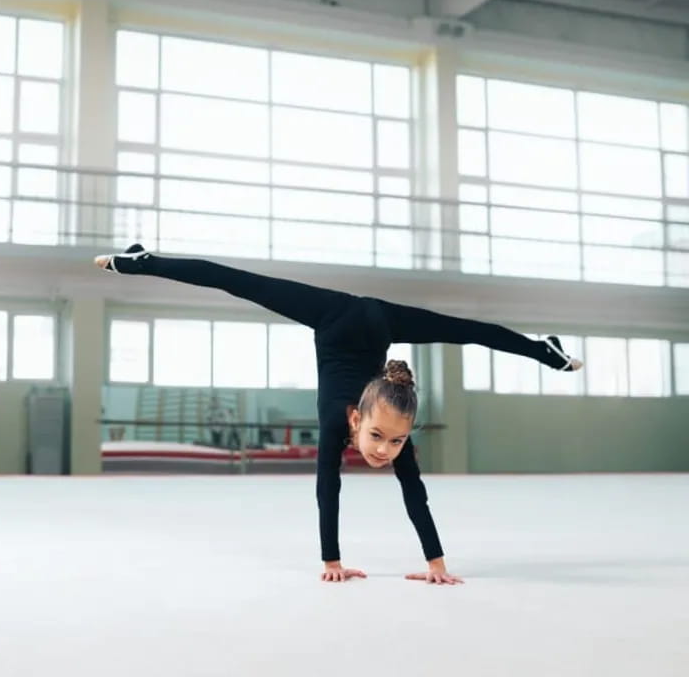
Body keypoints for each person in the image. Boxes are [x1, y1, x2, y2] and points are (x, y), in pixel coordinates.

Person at [95, 244, 583, 585]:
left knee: (464, 329)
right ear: (356, 421)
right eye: (381, 439)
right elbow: (328, 490)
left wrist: (436, 564)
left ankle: (543, 349)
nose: (384, 451)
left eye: (394, 443)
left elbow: (415, 494)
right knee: (237, 282)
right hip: (340, 315)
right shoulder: (343, 422)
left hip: (366, 319)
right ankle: (142, 263)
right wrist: (332, 561)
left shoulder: (389, 420)